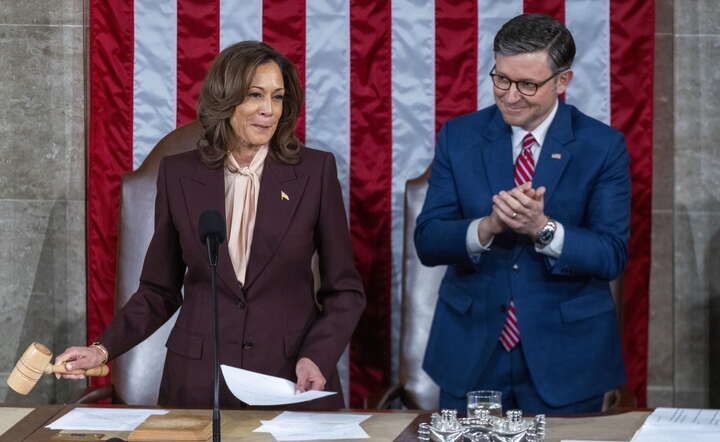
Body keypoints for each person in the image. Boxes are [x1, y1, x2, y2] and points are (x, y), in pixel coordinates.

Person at [56, 41, 366, 409]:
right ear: (226, 98)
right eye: (255, 95)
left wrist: (318, 355)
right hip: (199, 383)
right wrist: (101, 350)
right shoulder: (180, 175)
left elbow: (345, 291)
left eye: (278, 97)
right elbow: (159, 290)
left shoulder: (314, 172)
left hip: (289, 380)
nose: (268, 110)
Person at [415, 13, 629, 415]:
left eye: (528, 84)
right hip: (471, 353)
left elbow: (611, 255)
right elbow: (428, 241)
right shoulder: (459, 137)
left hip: (567, 359)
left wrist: (543, 229)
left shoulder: (602, 146)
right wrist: (487, 227)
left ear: (562, 81)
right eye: (501, 79)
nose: (510, 96)